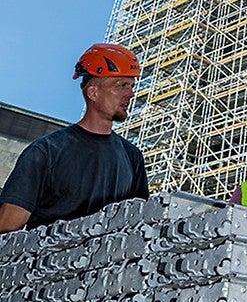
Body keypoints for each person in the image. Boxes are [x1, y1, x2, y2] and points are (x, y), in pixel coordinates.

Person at [0, 43, 149, 232]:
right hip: (51, 251)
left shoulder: (132, 156)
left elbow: (138, 221)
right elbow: (8, 223)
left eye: (131, 86)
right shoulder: (47, 151)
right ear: (93, 92)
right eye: (121, 86)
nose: (131, 94)